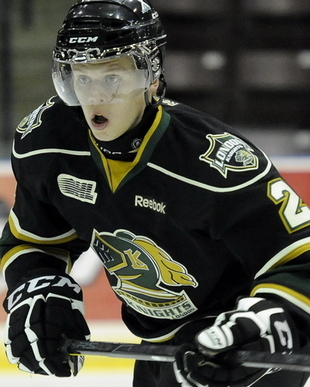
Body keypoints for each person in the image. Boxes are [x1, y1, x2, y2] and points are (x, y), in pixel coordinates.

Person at [1, 1, 310, 386]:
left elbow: (300, 260)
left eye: (112, 77)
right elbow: (34, 240)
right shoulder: (47, 143)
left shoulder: (215, 166)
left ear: (152, 75)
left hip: (240, 360)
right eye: (82, 78)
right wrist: (35, 286)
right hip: (156, 352)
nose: (95, 97)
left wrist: (265, 325)